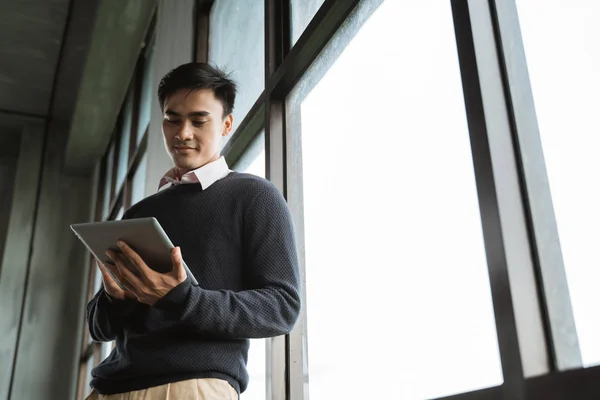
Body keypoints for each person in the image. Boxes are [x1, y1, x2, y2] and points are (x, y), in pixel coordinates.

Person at [85, 63, 301, 400]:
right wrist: (115, 299)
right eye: (172, 119)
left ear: (226, 124)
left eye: (199, 121)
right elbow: (100, 329)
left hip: (191, 387)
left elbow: (282, 307)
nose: (183, 133)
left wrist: (182, 298)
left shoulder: (255, 196)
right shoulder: (140, 213)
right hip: (108, 388)